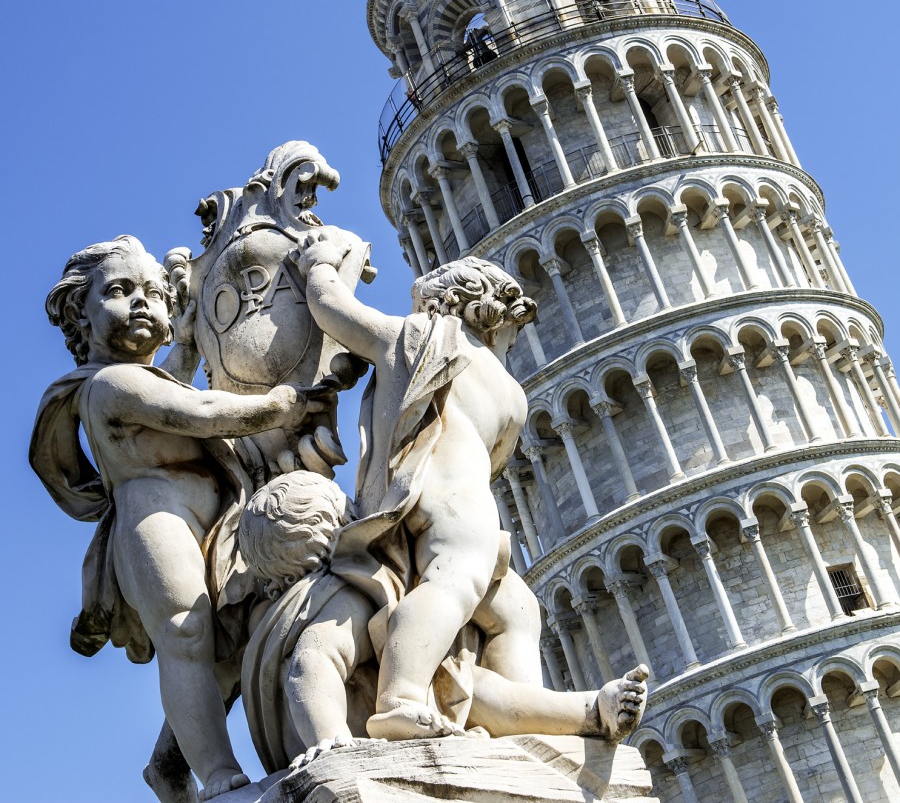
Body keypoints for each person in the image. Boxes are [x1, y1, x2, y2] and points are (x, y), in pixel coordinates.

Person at [30, 235, 332, 801]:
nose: (141, 302)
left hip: (214, 517)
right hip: (155, 516)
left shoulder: (148, 375)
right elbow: (200, 410)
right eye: (119, 292)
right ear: (81, 314)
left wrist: (191, 326)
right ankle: (217, 771)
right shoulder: (109, 384)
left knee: (228, 642)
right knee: (185, 630)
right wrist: (279, 403)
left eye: (152, 293)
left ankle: (168, 763)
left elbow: (178, 373)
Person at [293, 231, 547, 739]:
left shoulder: (406, 338)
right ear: (487, 316)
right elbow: (496, 462)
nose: (508, 347)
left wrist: (320, 264)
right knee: (455, 585)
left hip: (408, 494)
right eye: (510, 338)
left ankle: (524, 717)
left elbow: (332, 309)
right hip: (463, 502)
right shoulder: (510, 394)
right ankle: (401, 696)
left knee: (516, 606)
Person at [238, 471, 649, 773]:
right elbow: (312, 662)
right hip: (363, 727)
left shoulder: (350, 589)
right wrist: (330, 741)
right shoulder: (340, 595)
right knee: (475, 687)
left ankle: (593, 710)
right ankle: (591, 711)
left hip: (425, 704)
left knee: (471, 679)